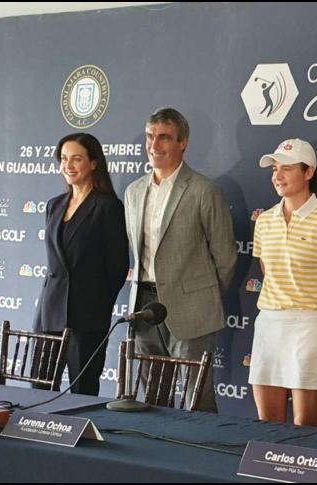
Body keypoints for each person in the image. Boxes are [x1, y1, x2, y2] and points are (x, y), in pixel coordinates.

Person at [124, 107, 236, 412]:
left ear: (182, 142)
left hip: (192, 307)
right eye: (150, 136)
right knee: (150, 395)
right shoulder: (134, 192)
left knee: (195, 397)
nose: (154, 145)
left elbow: (225, 257)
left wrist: (202, 295)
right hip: (145, 306)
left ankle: (199, 456)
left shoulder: (203, 190)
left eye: (163, 137)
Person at [249, 138, 317, 427]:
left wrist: (316, 319)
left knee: (305, 425)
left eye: (287, 169)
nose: (277, 176)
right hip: (269, 323)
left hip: (310, 326)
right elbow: (267, 270)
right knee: (268, 422)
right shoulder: (265, 221)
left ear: (309, 172)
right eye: (275, 169)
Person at [33, 132, 129, 396]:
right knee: (38, 389)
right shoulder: (54, 205)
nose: (68, 165)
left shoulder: (108, 206)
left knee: (82, 392)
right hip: (49, 312)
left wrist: (96, 304)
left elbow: (118, 267)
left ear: (93, 163)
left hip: (87, 317)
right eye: (64, 159)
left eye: (76, 158)